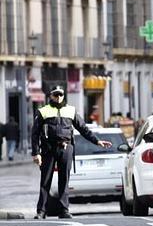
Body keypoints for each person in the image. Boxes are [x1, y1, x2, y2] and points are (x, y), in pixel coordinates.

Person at [31, 85, 112, 219]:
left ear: (63, 96)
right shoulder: (43, 111)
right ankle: (41, 211)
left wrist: (97, 141)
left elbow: (84, 129)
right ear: (50, 96)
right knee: (45, 181)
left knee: (64, 180)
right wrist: (36, 153)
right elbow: (35, 134)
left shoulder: (71, 110)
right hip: (48, 149)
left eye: (60, 95)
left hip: (66, 148)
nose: (58, 97)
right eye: (55, 95)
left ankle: (64, 210)